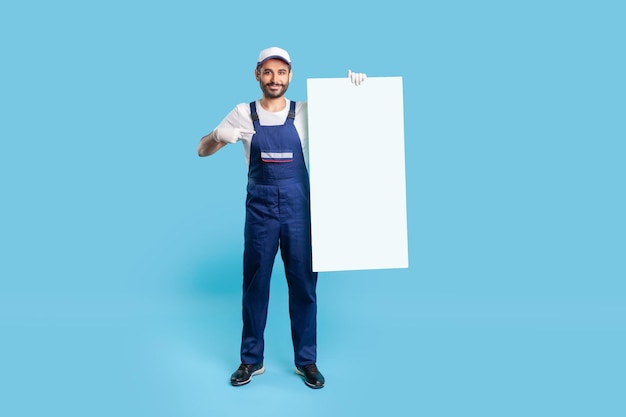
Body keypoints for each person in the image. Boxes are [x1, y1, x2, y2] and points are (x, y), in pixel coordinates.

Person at [197, 46, 366, 389]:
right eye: (268, 72)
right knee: (255, 285)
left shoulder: (306, 111)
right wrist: (218, 137)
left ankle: (307, 361)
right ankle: (251, 360)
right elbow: (201, 149)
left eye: (282, 72)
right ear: (257, 74)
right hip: (260, 212)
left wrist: (356, 91)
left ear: (291, 75)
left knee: (304, 285)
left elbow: (354, 125)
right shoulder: (242, 113)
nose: (275, 79)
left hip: (299, 210)